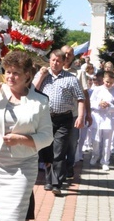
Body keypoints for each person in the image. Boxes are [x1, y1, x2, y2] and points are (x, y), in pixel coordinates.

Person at [0, 51, 53, 221]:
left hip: (22, 166)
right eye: (8, 71)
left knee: (13, 215)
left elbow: (47, 136)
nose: (10, 76)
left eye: (16, 73)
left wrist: (22, 140)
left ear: (27, 75)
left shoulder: (40, 101)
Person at [33, 50, 87, 196]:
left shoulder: (71, 79)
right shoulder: (43, 75)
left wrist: (80, 116)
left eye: (58, 61)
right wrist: (42, 75)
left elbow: (81, 98)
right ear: (49, 61)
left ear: (64, 63)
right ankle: (49, 180)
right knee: (47, 150)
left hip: (64, 119)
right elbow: (32, 90)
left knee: (59, 149)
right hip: (45, 118)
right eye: (52, 60)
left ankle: (57, 183)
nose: (55, 63)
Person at [89, 70, 114, 171]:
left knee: (107, 142)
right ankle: (95, 155)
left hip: (109, 119)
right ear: (103, 80)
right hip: (98, 118)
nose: (108, 84)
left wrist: (109, 106)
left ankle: (105, 161)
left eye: (110, 82)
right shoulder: (97, 90)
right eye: (107, 82)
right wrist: (99, 104)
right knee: (96, 140)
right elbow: (91, 103)